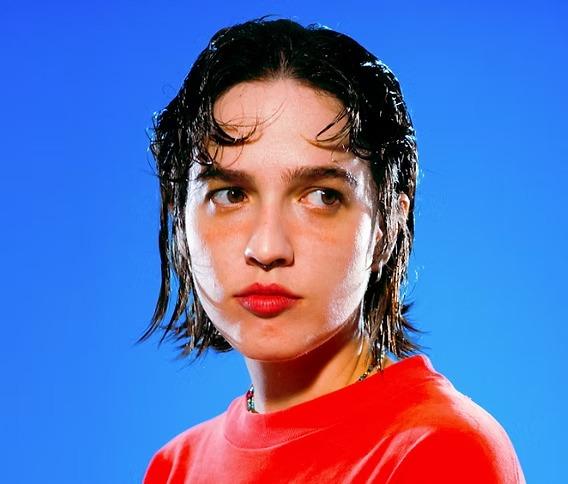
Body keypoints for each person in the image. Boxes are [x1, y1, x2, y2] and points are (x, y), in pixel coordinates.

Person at [140, 17, 525, 483]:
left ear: (386, 225)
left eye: (322, 197)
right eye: (231, 195)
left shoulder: (441, 450)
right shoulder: (174, 467)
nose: (267, 247)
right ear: (181, 218)